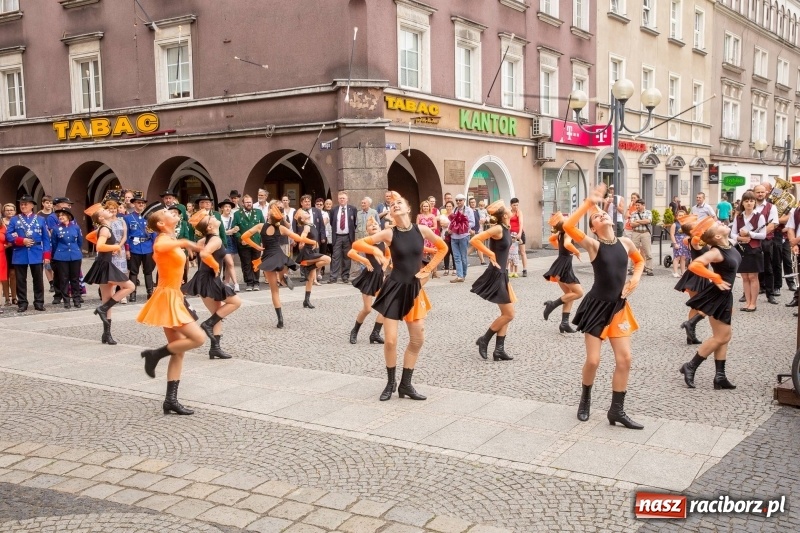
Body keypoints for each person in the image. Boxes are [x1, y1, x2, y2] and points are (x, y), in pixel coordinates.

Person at [563, 184, 645, 430]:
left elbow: (639, 261)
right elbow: (568, 227)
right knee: (594, 361)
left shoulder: (626, 243)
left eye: (603, 213)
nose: (602, 215)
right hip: (596, 307)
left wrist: (636, 278)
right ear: (594, 228)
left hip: (618, 307)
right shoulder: (593, 245)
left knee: (625, 359)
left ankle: (616, 410)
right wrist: (589, 204)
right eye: (596, 217)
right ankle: (585, 398)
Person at [352, 192, 447, 401]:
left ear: (408, 208)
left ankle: (406, 385)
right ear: (391, 213)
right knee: (391, 342)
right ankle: (390, 383)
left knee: (417, 338)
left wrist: (428, 269)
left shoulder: (421, 230)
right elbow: (357, 245)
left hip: (414, 290)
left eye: (399, 203)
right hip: (393, 289)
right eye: (392, 204)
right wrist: (375, 252)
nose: (395, 205)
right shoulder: (389, 233)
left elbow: (443, 247)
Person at [137, 209, 206, 415]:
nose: (173, 212)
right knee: (198, 338)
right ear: (160, 223)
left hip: (175, 294)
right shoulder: (161, 240)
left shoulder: (171, 238)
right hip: (168, 296)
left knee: (179, 350)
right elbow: (162, 247)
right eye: (167, 212)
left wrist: (192, 245)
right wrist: (185, 243)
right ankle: (155, 354)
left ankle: (170, 400)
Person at [679, 217, 741, 390]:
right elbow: (695, 265)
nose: (721, 223)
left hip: (725, 295)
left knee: (723, 338)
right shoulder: (716, 251)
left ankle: (720, 376)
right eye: (718, 226)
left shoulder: (728, 244)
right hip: (718, 295)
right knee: (722, 337)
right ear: (718, 237)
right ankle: (690, 366)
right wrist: (715, 277)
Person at [241, 201, 316, 328]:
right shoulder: (281, 228)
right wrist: (312, 240)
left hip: (267, 258)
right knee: (282, 269)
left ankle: (280, 319)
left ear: (268, 216)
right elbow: (298, 238)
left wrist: (257, 247)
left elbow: (244, 236)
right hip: (279, 255)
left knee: (274, 291)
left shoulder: (260, 226)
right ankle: (284, 276)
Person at [182, 210, 242, 359]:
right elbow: (203, 254)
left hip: (204, 278)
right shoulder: (216, 240)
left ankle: (215, 348)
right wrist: (215, 266)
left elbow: (195, 251)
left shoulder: (203, 240)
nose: (214, 217)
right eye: (211, 218)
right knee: (235, 302)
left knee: (217, 313)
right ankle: (208, 324)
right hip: (209, 278)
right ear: (209, 227)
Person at [470, 200, 517, 361]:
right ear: (504, 215)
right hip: (496, 273)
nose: (512, 210)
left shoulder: (506, 227)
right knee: (509, 314)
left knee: (505, 313)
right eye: (509, 210)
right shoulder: (498, 228)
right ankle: (485, 339)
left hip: (502, 274)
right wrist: (490, 254)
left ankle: (499, 350)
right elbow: (474, 240)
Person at [84, 205, 135, 344]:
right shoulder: (105, 229)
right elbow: (100, 246)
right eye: (105, 210)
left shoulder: (106, 227)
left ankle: (106, 334)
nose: (109, 211)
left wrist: (113, 248)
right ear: (101, 217)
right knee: (130, 286)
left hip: (105, 264)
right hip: (106, 264)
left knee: (107, 298)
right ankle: (103, 308)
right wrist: (116, 247)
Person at [6, 195, 50, 312]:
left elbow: (46, 239)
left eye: (25, 204)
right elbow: (8, 235)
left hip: (36, 252)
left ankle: (39, 302)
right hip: (20, 252)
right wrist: (21, 240)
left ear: (32, 205)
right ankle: (22, 303)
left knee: (38, 279)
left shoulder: (40, 219)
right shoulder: (15, 219)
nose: (23, 206)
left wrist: (46, 255)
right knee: (20, 280)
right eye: (21, 204)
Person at [542, 212, 583, 333]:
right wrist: (577, 252)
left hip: (560, 263)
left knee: (569, 294)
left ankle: (564, 323)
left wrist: (560, 248)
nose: (568, 218)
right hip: (564, 265)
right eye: (566, 218)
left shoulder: (560, 232)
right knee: (579, 293)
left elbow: (551, 239)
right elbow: (567, 244)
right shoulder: (567, 233)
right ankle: (552, 304)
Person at [347, 217, 387, 344]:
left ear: (380, 228)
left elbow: (388, 255)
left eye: (376, 224)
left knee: (386, 307)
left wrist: (384, 268)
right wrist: (364, 260)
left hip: (380, 276)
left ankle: (375, 333)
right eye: (370, 225)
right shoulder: (366, 242)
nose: (374, 226)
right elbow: (351, 253)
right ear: (367, 231)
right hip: (369, 277)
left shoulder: (384, 242)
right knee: (367, 309)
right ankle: (355, 331)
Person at [675, 215, 710, 344]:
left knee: (697, 306)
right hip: (697, 275)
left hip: (699, 274)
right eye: (696, 225)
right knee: (701, 306)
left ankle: (690, 334)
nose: (699, 226)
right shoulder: (695, 241)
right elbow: (696, 240)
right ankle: (690, 328)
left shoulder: (694, 239)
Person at [731, 191, 765, 312]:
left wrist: (750, 233)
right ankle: (747, 302)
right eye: (746, 201)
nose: (749, 203)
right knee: (745, 276)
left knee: (753, 276)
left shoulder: (759, 216)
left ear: (754, 202)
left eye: (751, 201)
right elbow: (732, 233)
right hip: (741, 248)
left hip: (754, 248)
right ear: (743, 203)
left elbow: (763, 235)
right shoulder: (739, 217)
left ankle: (753, 303)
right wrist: (740, 238)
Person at [294, 208, 331, 309]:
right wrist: (312, 242)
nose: (307, 213)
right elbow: (302, 238)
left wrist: (306, 243)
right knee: (328, 259)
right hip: (308, 253)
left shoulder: (312, 225)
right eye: (305, 213)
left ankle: (306, 300)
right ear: (302, 218)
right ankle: (308, 268)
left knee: (310, 279)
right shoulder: (306, 227)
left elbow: (303, 240)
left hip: (313, 252)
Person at [49, 207, 83, 309]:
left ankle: (76, 299)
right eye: (59, 215)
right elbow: (54, 243)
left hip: (75, 255)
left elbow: (80, 241)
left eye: (63, 215)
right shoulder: (55, 228)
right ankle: (66, 300)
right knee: (63, 279)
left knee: (75, 278)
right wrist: (55, 256)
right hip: (61, 256)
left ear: (68, 216)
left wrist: (76, 250)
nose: (60, 217)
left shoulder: (76, 227)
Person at [124, 193, 155, 302]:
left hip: (147, 247)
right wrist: (127, 249)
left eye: (142, 203)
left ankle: (150, 293)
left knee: (148, 271)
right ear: (133, 204)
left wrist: (154, 248)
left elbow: (154, 233)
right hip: (134, 247)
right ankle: (132, 294)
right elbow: (126, 235)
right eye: (138, 203)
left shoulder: (150, 217)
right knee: (133, 271)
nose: (141, 204)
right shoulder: (128, 218)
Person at [753, 183, 780, 304]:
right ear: (754, 193)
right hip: (751, 241)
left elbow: (773, 225)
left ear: (766, 193)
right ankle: (747, 294)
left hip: (766, 240)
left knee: (768, 268)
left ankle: (770, 294)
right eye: (758, 192)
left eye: (762, 192)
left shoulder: (771, 207)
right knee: (750, 268)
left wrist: (757, 234)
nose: (760, 194)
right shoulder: (750, 205)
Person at [232, 194, 265, 291]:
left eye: (250, 202)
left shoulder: (258, 212)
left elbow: (263, 227)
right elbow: (235, 229)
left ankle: (256, 282)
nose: (249, 204)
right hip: (244, 244)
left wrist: (263, 241)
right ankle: (249, 283)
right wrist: (240, 239)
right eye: (247, 202)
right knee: (246, 263)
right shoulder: (237, 214)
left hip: (256, 242)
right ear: (243, 203)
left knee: (256, 262)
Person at [328, 191, 357, 284]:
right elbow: (332, 222)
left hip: (348, 236)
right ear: (338, 199)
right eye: (340, 198)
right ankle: (333, 277)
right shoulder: (334, 210)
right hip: (337, 236)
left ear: (347, 199)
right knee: (335, 257)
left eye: (344, 198)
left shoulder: (352, 209)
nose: (342, 200)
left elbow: (354, 223)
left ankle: (345, 276)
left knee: (347, 257)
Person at [449, 193, 474, 283]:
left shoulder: (469, 210)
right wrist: (450, 228)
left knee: (463, 256)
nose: (458, 202)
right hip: (454, 236)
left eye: (460, 200)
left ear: (464, 201)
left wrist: (462, 226)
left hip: (464, 236)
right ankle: (459, 276)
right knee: (456, 257)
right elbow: (451, 222)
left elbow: (472, 222)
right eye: (457, 200)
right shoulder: (454, 210)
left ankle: (463, 274)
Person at [628, 199, 655, 276]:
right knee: (633, 251)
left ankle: (649, 269)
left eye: (638, 205)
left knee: (648, 252)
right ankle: (632, 268)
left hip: (645, 233)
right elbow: (632, 224)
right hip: (635, 233)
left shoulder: (648, 212)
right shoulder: (633, 213)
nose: (637, 207)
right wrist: (642, 221)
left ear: (643, 205)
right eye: (636, 205)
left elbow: (648, 221)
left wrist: (637, 221)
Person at [218, 199, 239, 292]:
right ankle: (235, 283)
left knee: (229, 264)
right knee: (229, 263)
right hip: (222, 241)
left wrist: (236, 229)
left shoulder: (233, 217)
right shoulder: (219, 218)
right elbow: (218, 231)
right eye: (226, 206)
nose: (228, 208)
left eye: (229, 207)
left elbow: (237, 227)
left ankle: (226, 282)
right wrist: (227, 232)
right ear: (222, 208)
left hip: (231, 240)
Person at [416, 200, 439, 278]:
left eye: (427, 206)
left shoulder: (432, 216)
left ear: (429, 207)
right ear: (422, 207)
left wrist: (427, 228)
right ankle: (424, 271)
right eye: (424, 206)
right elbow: (417, 226)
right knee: (423, 254)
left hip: (431, 237)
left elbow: (435, 227)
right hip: (422, 237)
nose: (425, 207)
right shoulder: (419, 216)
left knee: (433, 254)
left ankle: (435, 272)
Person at [2, 203, 17, 306]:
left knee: (13, 274)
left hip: (15, 250)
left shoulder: (17, 221)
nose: (9, 212)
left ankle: (14, 297)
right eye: (7, 210)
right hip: (3, 250)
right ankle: (7, 298)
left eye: (11, 210)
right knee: (4, 275)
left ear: (15, 211)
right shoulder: (1, 222)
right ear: (4, 211)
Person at [670, 208, 691, 278]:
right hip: (678, 241)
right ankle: (675, 272)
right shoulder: (675, 224)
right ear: (676, 216)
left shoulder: (686, 224)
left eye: (683, 215)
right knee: (677, 257)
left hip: (685, 242)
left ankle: (683, 271)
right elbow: (672, 234)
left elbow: (689, 233)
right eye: (679, 215)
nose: (681, 217)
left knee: (684, 257)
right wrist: (674, 243)